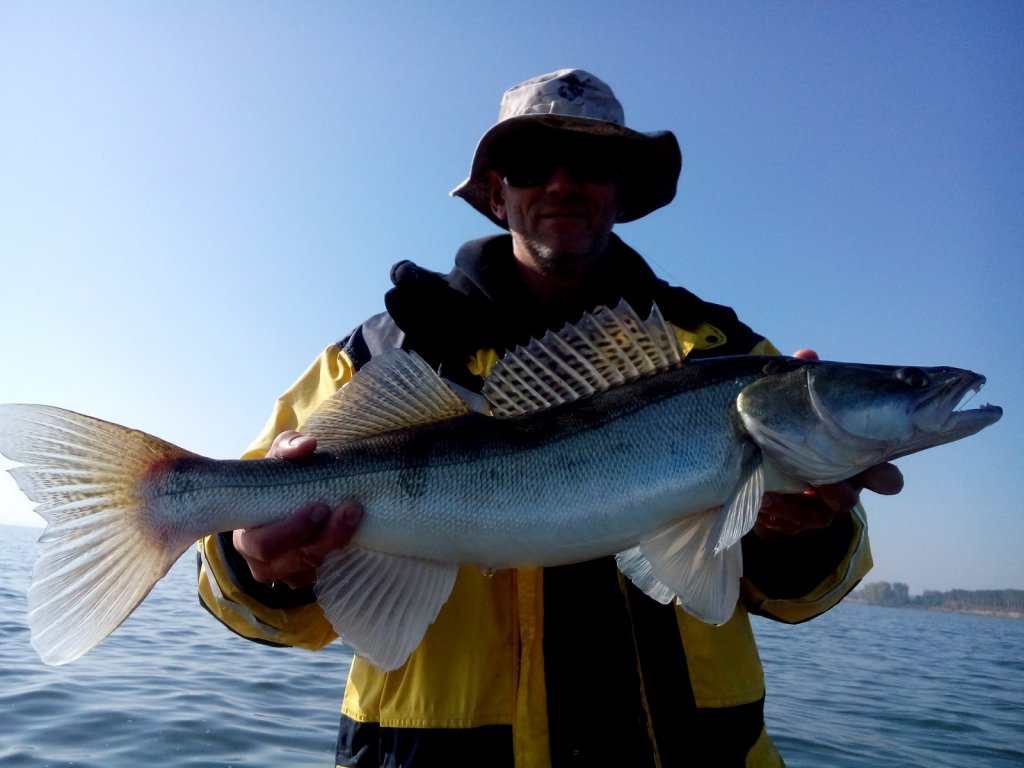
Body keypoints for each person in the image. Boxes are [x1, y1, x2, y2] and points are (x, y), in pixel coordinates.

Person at [197, 69, 903, 767]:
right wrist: (250, 559)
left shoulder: (731, 359)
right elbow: (243, 590)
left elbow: (804, 593)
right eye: (531, 164)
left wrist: (802, 531)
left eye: (592, 162)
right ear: (498, 193)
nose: (561, 183)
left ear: (619, 188)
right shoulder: (381, 353)